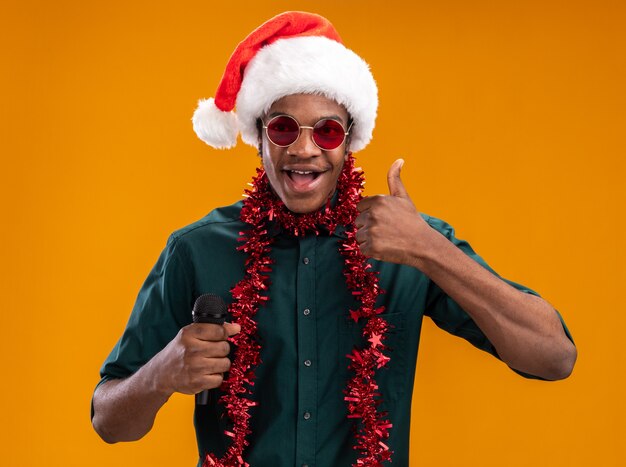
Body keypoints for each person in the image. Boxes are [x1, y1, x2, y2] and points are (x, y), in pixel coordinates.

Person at [91, 11, 576, 467]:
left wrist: (430, 249)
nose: (304, 149)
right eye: (283, 128)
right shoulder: (196, 250)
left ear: (349, 140)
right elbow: (108, 421)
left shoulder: (411, 244)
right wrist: (161, 372)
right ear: (258, 137)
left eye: (326, 131)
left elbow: (554, 357)